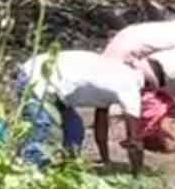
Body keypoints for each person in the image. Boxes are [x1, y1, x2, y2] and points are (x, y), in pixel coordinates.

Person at [15, 50, 145, 174]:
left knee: (74, 130)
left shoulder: (115, 78)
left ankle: (66, 169)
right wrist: (137, 173)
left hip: (57, 90)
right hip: (37, 77)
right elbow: (135, 142)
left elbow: (101, 126)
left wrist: (106, 160)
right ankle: (28, 172)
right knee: (41, 126)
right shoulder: (130, 86)